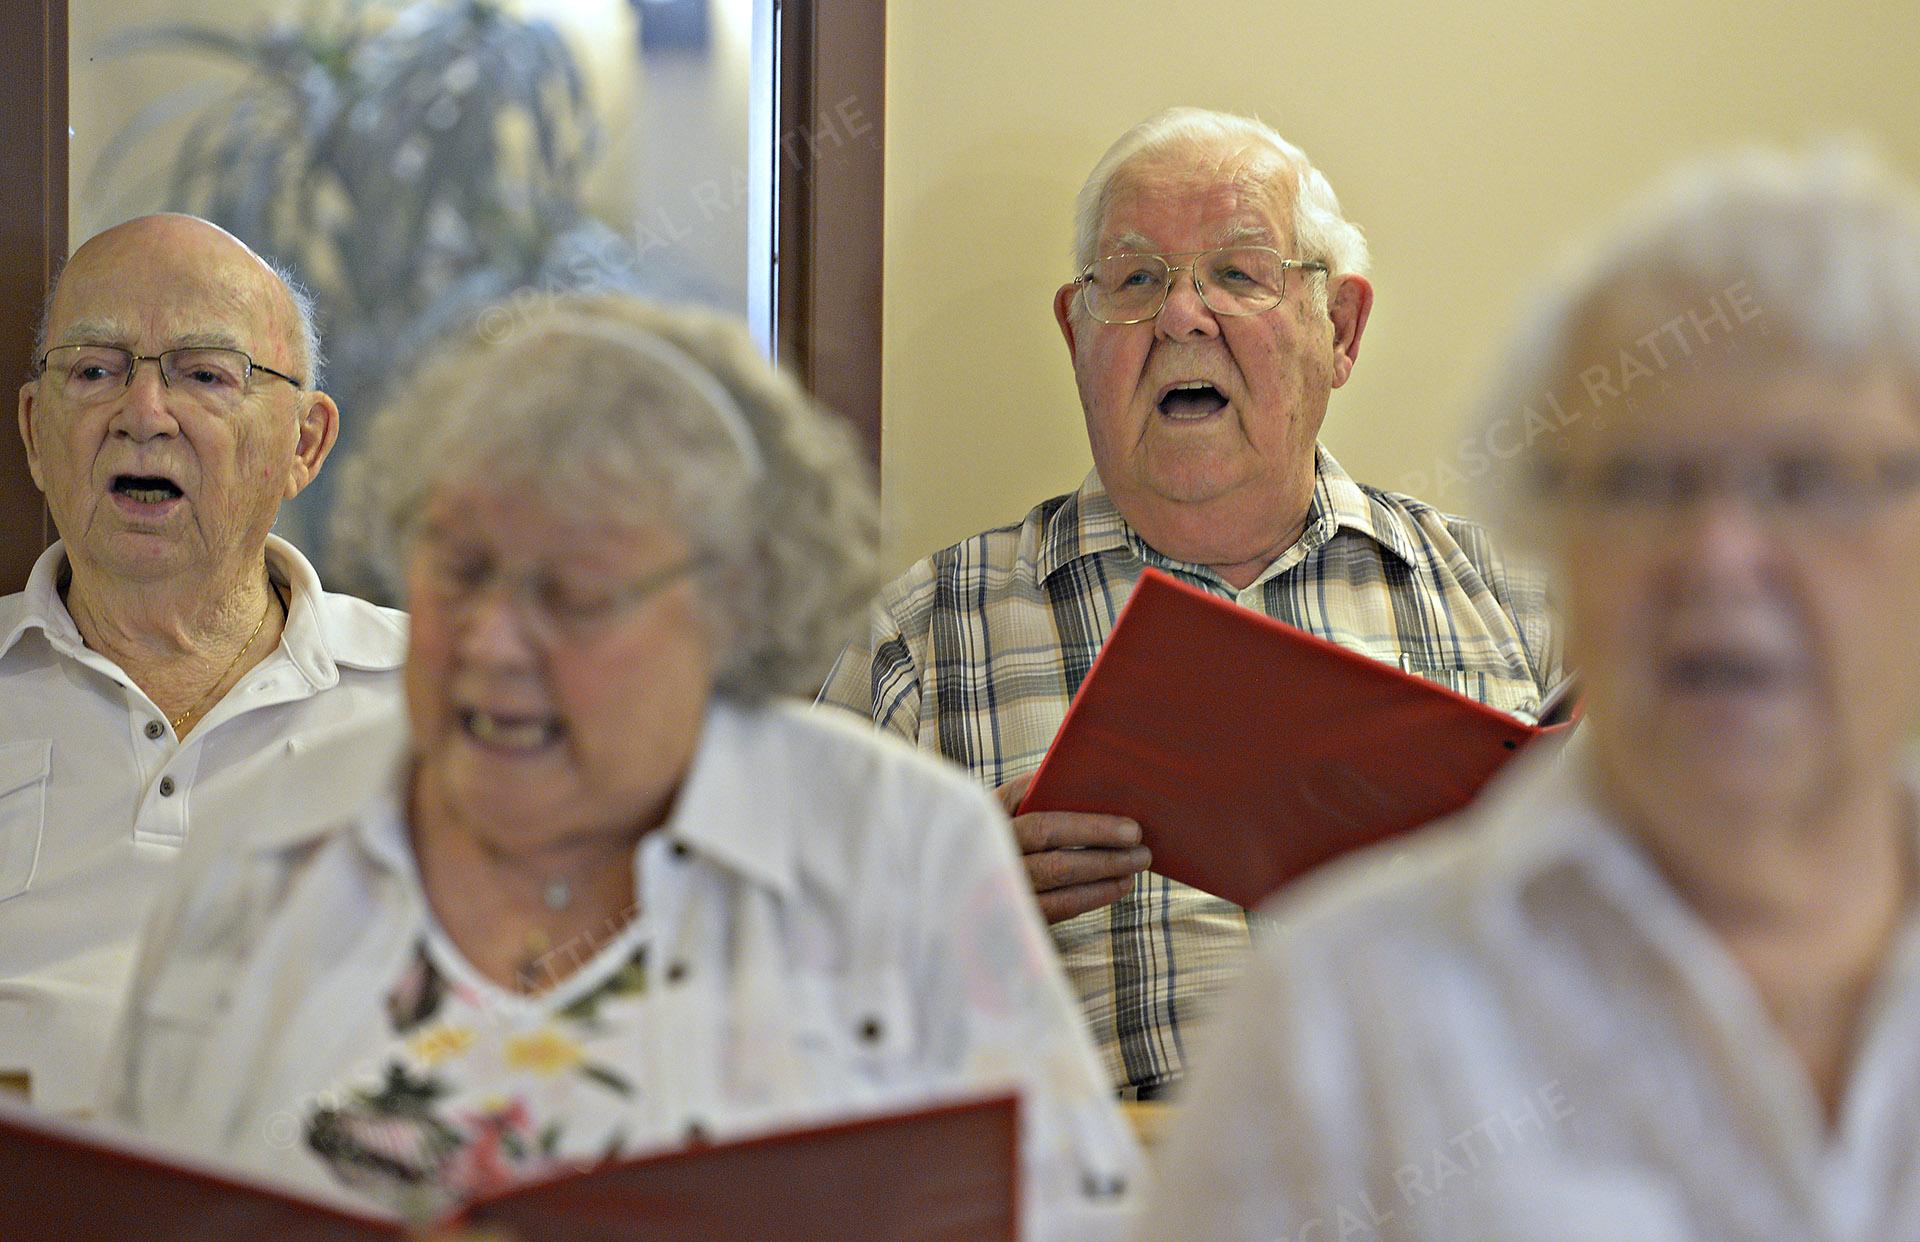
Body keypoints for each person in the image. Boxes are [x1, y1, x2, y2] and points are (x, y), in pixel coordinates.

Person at [103, 295, 1142, 1239]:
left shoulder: (897, 849)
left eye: (576, 595)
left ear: (731, 610)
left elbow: (1071, 1221)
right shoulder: (262, 846)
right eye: (461, 569)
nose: (493, 642)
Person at [1139, 145, 1920, 1241]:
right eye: (1644, 484)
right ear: (1556, 539)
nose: (1721, 554)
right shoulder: (1342, 1017)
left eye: (1807, 479)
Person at [820, 107, 1559, 1096]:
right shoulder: (916, 640)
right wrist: (932, 912)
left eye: (1240, 273)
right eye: (1133, 280)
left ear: (1338, 331)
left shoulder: (1523, 608)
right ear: (1075, 330)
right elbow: (755, 1001)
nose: (1180, 316)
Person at [0, 214, 407, 1112]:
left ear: (305, 443)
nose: (142, 415)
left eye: (205, 376)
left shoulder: (440, 703)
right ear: (35, 430)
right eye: (95, 371)